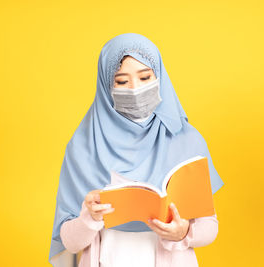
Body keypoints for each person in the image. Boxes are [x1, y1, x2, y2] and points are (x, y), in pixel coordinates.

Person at [48, 33, 224, 267]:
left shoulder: (187, 140)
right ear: (106, 85)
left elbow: (209, 227)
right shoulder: (83, 147)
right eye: (122, 81)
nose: (135, 89)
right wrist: (89, 219)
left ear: (158, 76)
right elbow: (70, 243)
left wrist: (183, 233)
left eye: (145, 77)